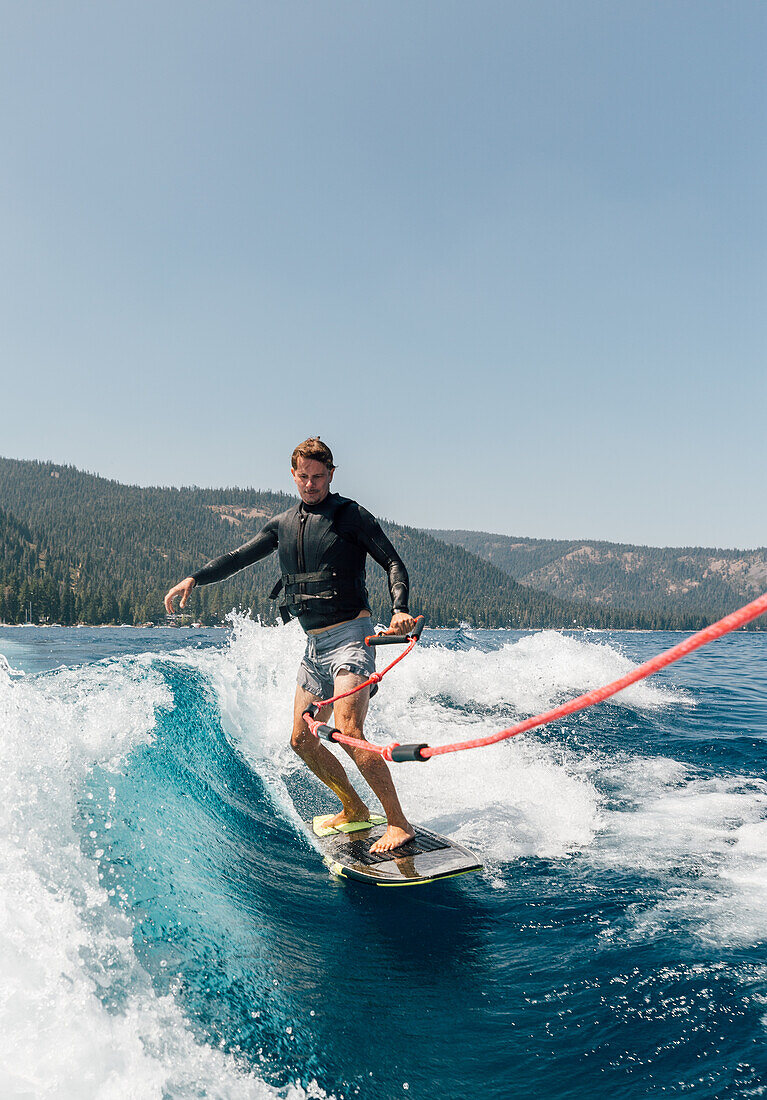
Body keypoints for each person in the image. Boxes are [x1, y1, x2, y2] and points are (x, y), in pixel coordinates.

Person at [164, 437, 417, 854]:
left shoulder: (350, 515)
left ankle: (398, 823)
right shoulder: (282, 524)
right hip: (314, 648)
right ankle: (353, 806)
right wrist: (195, 577)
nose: (311, 484)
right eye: (304, 477)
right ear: (294, 475)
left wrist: (399, 608)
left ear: (331, 474)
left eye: (319, 477)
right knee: (302, 740)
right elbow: (237, 558)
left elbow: (393, 562)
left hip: (352, 638)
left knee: (350, 732)